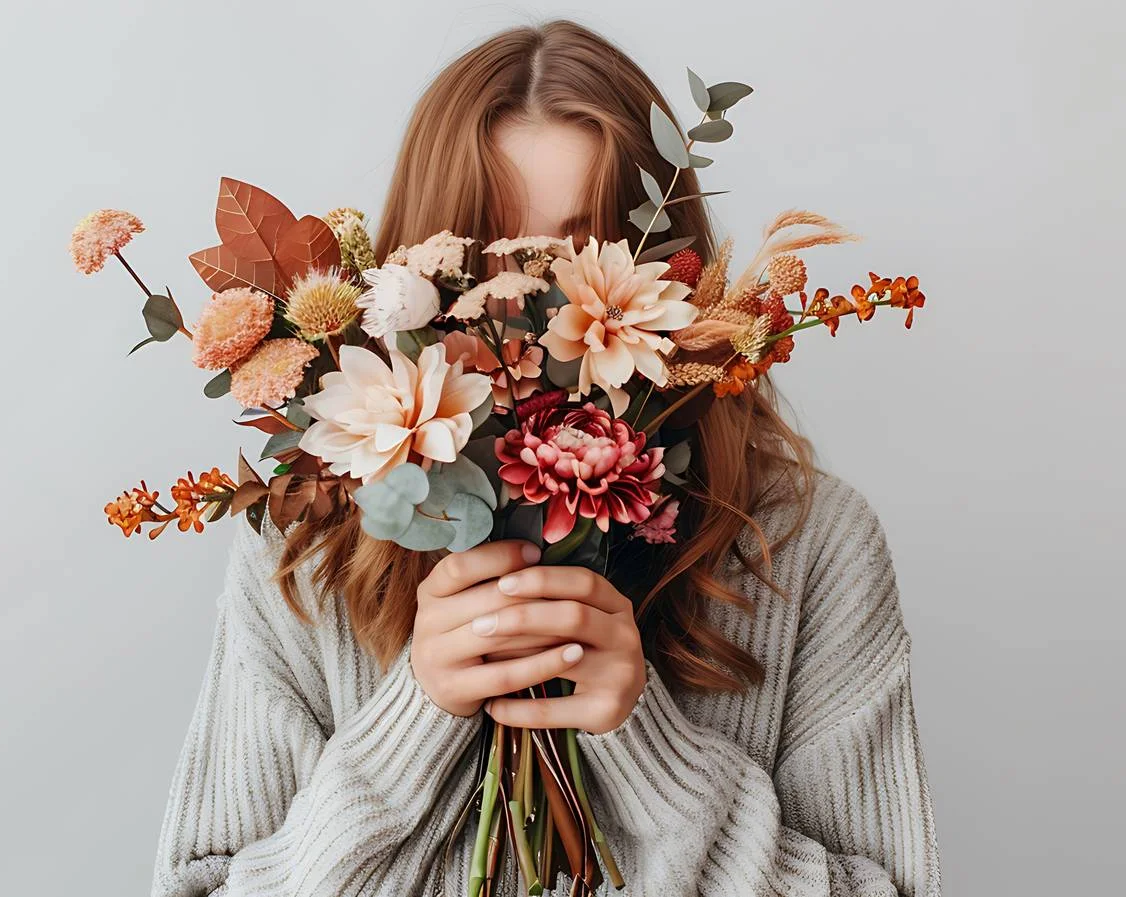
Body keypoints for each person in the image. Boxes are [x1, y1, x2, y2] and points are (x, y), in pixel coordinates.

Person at [150, 19, 941, 897]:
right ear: (406, 286)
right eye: (490, 259)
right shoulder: (302, 550)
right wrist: (414, 719)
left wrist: (647, 747)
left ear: (670, 279)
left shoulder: (812, 545)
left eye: (579, 257)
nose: (529, 315)